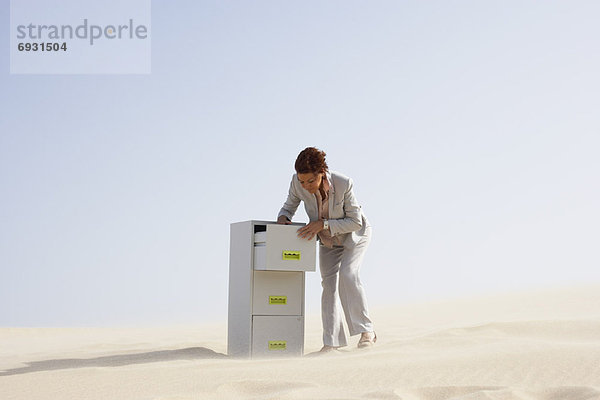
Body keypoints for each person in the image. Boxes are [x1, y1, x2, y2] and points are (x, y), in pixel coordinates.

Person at [277, 147, 376, 352]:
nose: (305, 186)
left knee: (348, 274)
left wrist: (322, 224)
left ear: (322, 173)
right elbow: (289, 206)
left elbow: (355, 222)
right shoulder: (297, 183)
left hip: (353, 236)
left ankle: (367, 331)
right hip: (328, 241)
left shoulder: (343, 183)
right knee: (328, 286)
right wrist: (283, 218)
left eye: (310, 181)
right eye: (302, 181)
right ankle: (331, 343)